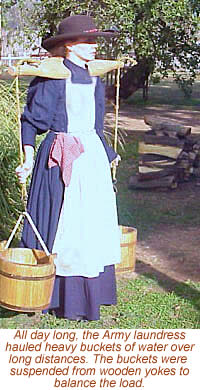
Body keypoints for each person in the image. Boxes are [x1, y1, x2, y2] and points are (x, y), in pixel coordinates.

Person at [16, 14, 121, 321]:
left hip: (91, 159)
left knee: (92, 223)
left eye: (94, 41)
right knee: (67, 224)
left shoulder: (94, 75)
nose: (94, 46)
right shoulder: (53, 77)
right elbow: (31, 122)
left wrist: (108, 153)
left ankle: (93, 293)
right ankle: (60, 296)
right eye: (88, 41)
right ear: (69, 45)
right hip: (62, 155)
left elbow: (96, 124)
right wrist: (28, 158)